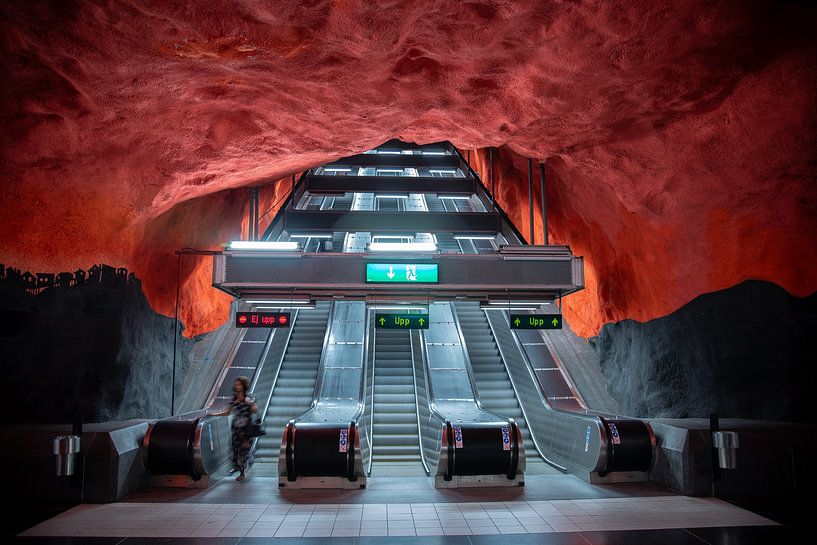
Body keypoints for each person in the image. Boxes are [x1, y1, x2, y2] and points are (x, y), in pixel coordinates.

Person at [211, 376, 257, 481]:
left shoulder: (250, 397)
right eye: (236, 384)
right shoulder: (234, 397)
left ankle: (244, 467)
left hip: (247, 428)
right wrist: (213, 414)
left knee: (244, 450)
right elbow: (227, 412)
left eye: (239, 384)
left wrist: (250, 404)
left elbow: (254, 410)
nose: (237, 386)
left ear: (244, 385)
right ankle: (239, 469)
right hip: (236, 428)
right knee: (236, 449)